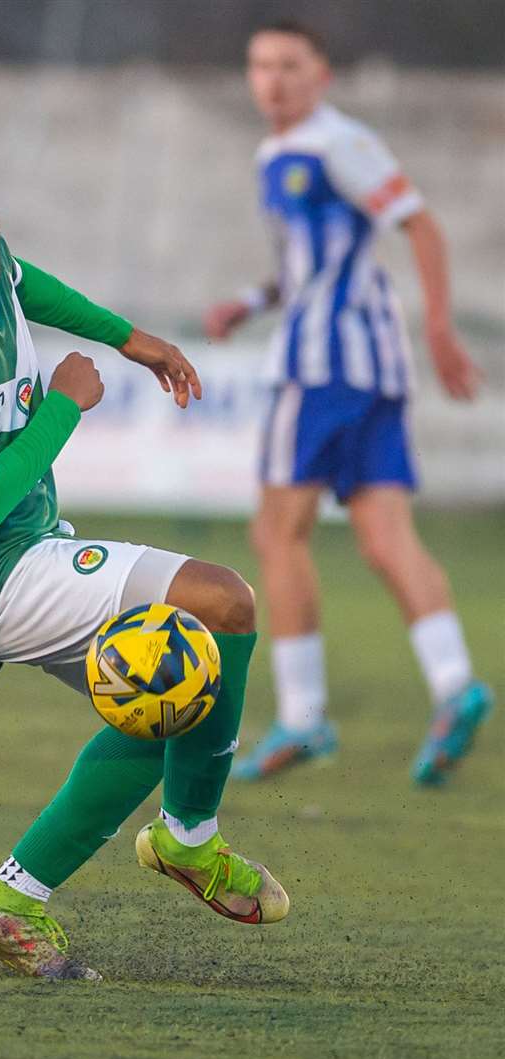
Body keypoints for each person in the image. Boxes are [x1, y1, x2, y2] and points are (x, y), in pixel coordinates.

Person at [0, 169, 287, 980]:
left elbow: (24, 286)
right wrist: (64, 407)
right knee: (224, 604)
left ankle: (8, 902)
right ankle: (189, 840)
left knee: (168, 690)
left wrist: (133, 340)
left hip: (32, 545)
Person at [203, 21, 492, 785]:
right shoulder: (276, 154)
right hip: (370, 370)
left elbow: (421, 226)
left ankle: (302, 718)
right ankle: (455, 685)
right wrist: (250, 299)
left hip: (325, 367)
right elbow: (302, 266)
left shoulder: (338, 142)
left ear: (320, 74)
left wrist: (440, 326)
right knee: (383, 537)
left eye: (289, 66)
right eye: (261, 64)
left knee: (276, 532)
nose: (273, 80)